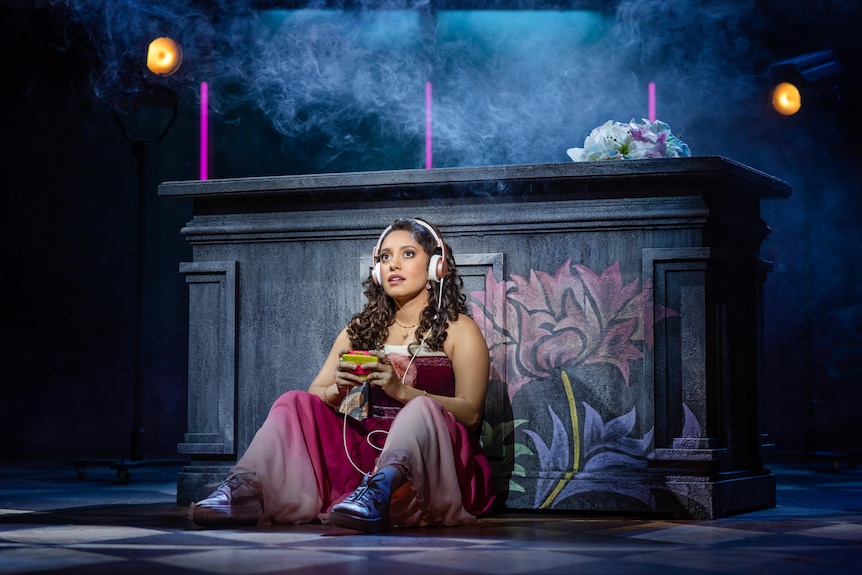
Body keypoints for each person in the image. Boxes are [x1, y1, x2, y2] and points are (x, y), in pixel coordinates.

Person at [187, 217, 495, 532]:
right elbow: (313, 395)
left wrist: (403, 392)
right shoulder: (359, 329)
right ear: (376, 272)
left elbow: (470, 414)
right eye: (385, 257)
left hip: (436, 465)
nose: (393, 265)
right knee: (293, 401)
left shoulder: (460, 330)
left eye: (408, 254)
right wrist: (338, 387)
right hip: (363, 456)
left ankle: (381, 492)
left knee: (421, 409)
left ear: (436, 267)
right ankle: (244, 493)